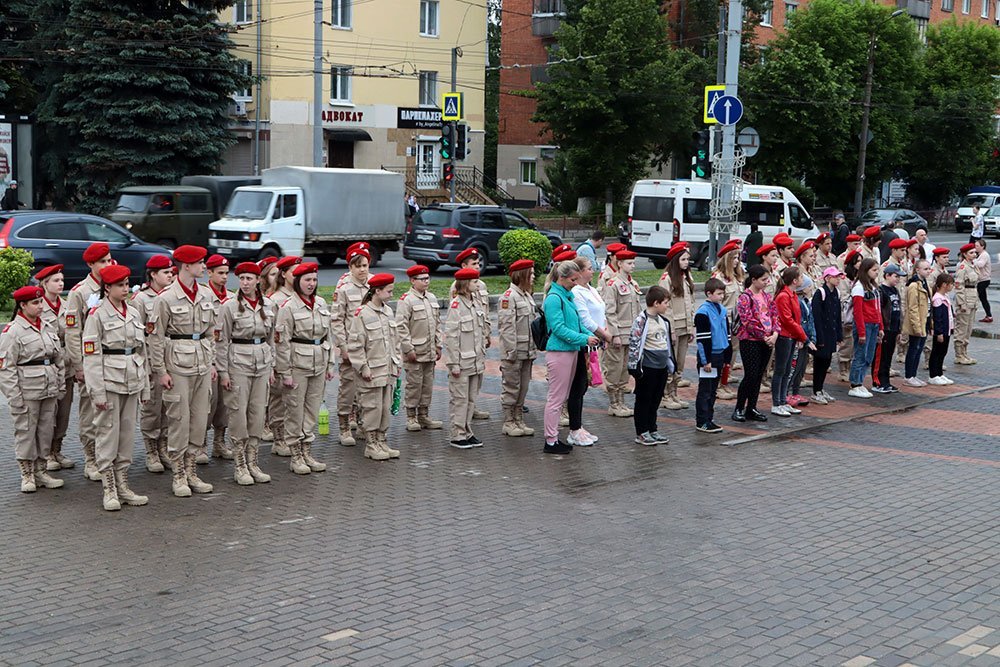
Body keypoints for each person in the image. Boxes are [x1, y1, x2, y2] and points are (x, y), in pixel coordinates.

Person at [148, 245, 218, 497]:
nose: (204, 267)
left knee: (200, 419)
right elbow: (156, 338)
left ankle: (191, 472)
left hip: (201, 363)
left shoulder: (207, 295)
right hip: (177, 365)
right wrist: (160, 371)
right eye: (200, 263)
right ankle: (178, 475)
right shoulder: (165, 297)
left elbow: (212, 332)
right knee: (179, 420)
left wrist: (211, 363)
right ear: (186, 266)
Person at [82, 265, 151, 511]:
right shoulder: (96, 315)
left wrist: (145, 387)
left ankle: (123, 485)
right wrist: (97, 392)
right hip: (109, 383)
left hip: (132, 381)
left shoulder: (132, 313)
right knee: (108, 436)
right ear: (107, 288)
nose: (125, 289)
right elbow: (90, 357)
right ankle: (109, 489)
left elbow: (142, 352)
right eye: (119, 285)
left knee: (126, 437)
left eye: (126, 284)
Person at [0, 286, 66, 493]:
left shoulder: (47, 327)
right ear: (23, 305)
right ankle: (27, 473)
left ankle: (41, 469)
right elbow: (6, 368)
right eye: (35, 303)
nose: (40, 306)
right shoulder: (12, 331)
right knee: (26, 432)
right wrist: (14, 397)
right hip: (27, 389)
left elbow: (58, 359)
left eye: (40, 302)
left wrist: (60, 385)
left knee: (46, 430)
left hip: (48, 388)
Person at [216, 261, 275, 485]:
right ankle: (240, 465)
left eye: (250, 278)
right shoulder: (229, 306)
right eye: (242, 278)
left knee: (257, 413)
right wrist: (223, 372)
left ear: (258, 280)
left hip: (261, 361)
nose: (245, 283)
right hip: (238, 362)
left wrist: (272, 366)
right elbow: (221, 342)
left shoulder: (268, 305)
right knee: (238, 414)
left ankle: (253, 462)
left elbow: (272, 340)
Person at [275, 262, 334, 473]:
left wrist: (330, 364)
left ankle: (307, 450)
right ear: (297, 281)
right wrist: (285, 372)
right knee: (295, 411)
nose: (311, 284)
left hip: (318, 363)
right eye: (307, 280)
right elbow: (282, 343)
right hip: (297, 365)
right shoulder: (288, 308)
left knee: (312, 409)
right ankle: (296, 455)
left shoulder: (321, 303)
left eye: (314, 280)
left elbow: (328, 336)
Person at [63, 242, 114, 482]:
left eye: (109, 260)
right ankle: (91, 458)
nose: (107, 265)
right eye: (102, 261)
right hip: (90, 359)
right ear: (91, 264)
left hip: (112, 360)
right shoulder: (80, 292)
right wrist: (78, 365)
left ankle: (109, 455)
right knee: (89, 412)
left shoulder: (115, 286)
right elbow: (73, 331)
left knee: (111, 410)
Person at [543, 261, 599, 454]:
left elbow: (575, 324)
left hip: (570, 350)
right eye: (573, 279)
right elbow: (558, 328)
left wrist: (589, 336)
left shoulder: (566, 296)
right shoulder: (554, 298)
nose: (576, 283)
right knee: (556, 399)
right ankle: (550, 440)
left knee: (561, 397)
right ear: (562, 277)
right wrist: (584, 338)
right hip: (560, 352)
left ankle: (554, 437)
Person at [348, 273, 403, 461]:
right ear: (377, 291)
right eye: (388, 291)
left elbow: (394, 341)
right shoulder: (362, 313)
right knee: (372, 408)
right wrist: (363, 367)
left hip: (387, 369)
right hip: (371, 371)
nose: (391, 295)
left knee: (385, 407)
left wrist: (397, 362)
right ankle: (371, 444)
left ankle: (381, 440)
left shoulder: (388, 311)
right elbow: (356, 345)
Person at [131, 255, 174, 472]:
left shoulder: (172, 296)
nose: (170, 276)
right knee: (151, 407)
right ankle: (151, 450)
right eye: (165, 272)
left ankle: (164, 446)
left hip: (172, 360)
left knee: (167, 406)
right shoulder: (140, 299)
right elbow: (137, 335)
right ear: (152, 275)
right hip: (150, 361)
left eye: (171, 272)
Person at [36, 264, 75, 472]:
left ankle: (57, 449)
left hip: (66, 366)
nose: (61, 284)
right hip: (48, 366)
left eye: (61, 280)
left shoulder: (67, 305)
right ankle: (46, 453)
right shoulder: (38, 305)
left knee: (64, 412)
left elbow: (73, 334)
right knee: (49, 412)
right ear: (44, 283)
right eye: (56, 281)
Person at [444, 267, 489, 449]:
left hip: (475, 361)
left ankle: (467, 431)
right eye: (474, 282)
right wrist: (453, 363)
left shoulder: (475, 303)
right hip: (461, 362)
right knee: (460, 399)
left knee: (471, 399)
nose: (478, 285)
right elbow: (452, 337)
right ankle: (457, 434)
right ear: (465, 284)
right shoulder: (456, 306)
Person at [395, 264, 443, 433]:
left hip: (429, 350)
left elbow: (437, 324)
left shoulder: (432, 298)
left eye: (427, 278)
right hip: (415, 351)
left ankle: (424, 415)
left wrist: (439, 344)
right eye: (422, 279)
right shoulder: (406, 300)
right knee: (414, 385)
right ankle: (411, 416)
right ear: (412, 280)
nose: (426, 281)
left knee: (427, 384)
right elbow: (401, 327)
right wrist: (408, 349)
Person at [625, 286, 676, 445]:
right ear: (656, 303)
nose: (667, 306)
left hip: (661, 367)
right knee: (644, 400)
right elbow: (634, 343)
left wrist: (670, 363)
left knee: (655, 399)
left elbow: (666, 343)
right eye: (665, 303)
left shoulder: (663, 321)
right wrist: (634, 367)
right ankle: (642, 431)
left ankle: (652, 428)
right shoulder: (641, 321)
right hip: (647, 368)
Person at [570, 255, 611, 446]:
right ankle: (574, 428)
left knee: (583, 385)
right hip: (584, 341)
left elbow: (601, 312)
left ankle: (578, 426)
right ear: (578, 272)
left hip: (594, 341)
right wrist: (605, 335)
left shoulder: (591, 289)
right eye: (588, 268)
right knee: (577, 386)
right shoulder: (577, 292)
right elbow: (585, 319)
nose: (592, 270)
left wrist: (605, 331)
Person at [331, 248, 370, 446]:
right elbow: (337, 320)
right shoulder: (344, 289)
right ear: (350, 268)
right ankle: (345, 427)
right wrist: (343, 347)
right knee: (348, 389)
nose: (363, 270)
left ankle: (365, 425)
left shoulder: (374, 285)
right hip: (351, 349)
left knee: (368, 390)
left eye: (365, 265)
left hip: (371, 349)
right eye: (358, 266)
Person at [449, 247, 492, 421]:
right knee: (463, 387)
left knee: (476, 379)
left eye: (478, 263)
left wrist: (487, 333)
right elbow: (457, 323)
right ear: (464, 265)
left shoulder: (480, 285)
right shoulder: (458, 287)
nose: (477, 266)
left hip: (478, 338)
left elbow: (484, 311)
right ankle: (463, 417)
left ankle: (472, 408)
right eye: (473, 264)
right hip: (466, 342)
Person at [265, 255, 302, 456]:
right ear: (284, 274)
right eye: (293, 272)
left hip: (299, 356)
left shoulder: (300, 297)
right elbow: (273, 334)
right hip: (281, 355)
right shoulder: (275, 300)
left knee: (295, 400)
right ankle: (278, 438)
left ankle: (292, 436)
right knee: (278, 398)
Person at [732, 265, 778, 423]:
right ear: (753, 280)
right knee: (750, 375)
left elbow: (774, 315)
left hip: (767, 340)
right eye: (763, 279)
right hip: (750, 341)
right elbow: (747, 321)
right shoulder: (745, 297)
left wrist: (775, 334)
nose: (767, 282)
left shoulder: (766, 296)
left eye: (767, 279)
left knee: (759, 375)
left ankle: (752, 407)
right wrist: (764, 335)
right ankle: (739, 407)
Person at [497, 259, 538, 438]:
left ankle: (519, 418)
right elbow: (507, 328)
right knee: (512, 387)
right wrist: (510, 351)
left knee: (524, 386)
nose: (534, 276)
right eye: (531, 273)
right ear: (521, 275)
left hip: (528, 350)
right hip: (514, 351)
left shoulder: (526, 295)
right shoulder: (509, 297)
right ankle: (509, 421)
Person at [600, 249, 642, 418]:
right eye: (629, 263)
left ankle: (621, 401)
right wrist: (614, 334)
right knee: (614, 369)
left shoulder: (633, 284)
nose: (632, 266)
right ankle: (614, 403)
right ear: (620, 264)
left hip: (630, 334)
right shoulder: (613, 284)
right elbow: (610, 312)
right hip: (618, 334)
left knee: (625, 370)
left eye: (633, 263)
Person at [656, 242, 695, 410]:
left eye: (688, 259)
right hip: (674, 327)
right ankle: (665, 395)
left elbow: (691, 304)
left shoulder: (687, 277)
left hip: (685, 326)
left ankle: (674, 393)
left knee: (680, 363)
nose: (686, 262)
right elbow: (666, 308)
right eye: (683, 259)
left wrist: (691, 326)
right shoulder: (667, 279)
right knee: (670, 362)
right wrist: (670, 329)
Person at [203, 254, 234, 462]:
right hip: (209, 358)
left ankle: (219, 442)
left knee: (225, 403)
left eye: (226, 273)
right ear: (210, 272)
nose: (224, 277)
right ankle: (200, 444)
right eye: (220, 273)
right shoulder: (203, 296)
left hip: (228, 357)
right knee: (208, 403)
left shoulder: (231, 298)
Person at [694, 278, 730, 433]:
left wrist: (727, 357)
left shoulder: (722, 310)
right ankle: (702, 420)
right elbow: (703, 340)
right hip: (709, 357)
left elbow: (727, 334)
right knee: (705, 390)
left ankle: (710, 417)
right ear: (709, 294)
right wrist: (705, 361)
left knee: (713, 389)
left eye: (723, 293)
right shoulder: (702, 313)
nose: (722, 296)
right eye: (719, 293)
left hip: (720, 354)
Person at [772, 267, 808, 416]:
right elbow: (787, 319)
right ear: (794, 280)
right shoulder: (784, 296)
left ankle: (783, 400)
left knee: (787, 370)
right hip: (784, 336)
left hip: (791, 336)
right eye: (800, 277)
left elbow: (796, 319)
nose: (802, 280)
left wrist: (799, 336)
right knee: (780, 370)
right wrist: (803, 336)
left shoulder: (792, 294)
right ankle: (777, 403)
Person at [710, 241, 744, 400]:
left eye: (738, 257)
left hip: (736, 320)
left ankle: (724, 381)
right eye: (734, 257)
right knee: (722, 354)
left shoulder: (737, 276)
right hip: (723, 321)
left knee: (732, 352)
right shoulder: (718, 277)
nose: (737, 260)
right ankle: (717, 386)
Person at [848, 258, 883, 399]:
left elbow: (877, 309)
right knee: (860, 355)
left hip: (873, 324)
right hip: (865, 325)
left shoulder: (873, 287)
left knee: (868, 356)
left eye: (877, 270)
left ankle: (860, 381)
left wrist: (880, 326)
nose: (876, 273)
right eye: (874, 270)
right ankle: (855, 384)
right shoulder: (859, 287)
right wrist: (862, 332)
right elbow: (858, 311)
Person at [810, 267, 843, 404]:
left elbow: (837, 315)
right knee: (820, 361)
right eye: (835, 277)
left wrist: (839, 335)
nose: (838, 279)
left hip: (831, 333)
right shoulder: (820, 293)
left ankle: (821, 388)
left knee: (827, 361)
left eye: (839, 276)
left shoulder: (837, 293)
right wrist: (819, 338)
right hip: (822, 333)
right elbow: (816, 317)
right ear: (827, 278)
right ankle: (816, 390)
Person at [871, 265, 903, 394]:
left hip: (894, 328)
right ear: (887, 275)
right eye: (896, 276)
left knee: (888, 356)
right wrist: (880, 327)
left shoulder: (895, 290)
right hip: (885, 328)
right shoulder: (881, 291)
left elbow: (898, 309)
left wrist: (899, 329)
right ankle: (877, 382)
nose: (898, 279)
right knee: (880, 356)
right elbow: (879, 311)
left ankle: (886, 381)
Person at [786, 275, 816, 407]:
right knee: (793, 367)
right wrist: (802, 337)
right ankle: (786, 393)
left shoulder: (806, 302)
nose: (811, 288)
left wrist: (812, 337)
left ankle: (795, 392)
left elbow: (810, 321)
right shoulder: (797, 302)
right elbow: (798, 322)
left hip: (806, 338)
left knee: (801, 367)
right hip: (800, 338)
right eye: (809, 286)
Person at [902, 259, 933, 387]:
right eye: (925, 269)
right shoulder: (914, 285)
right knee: (913, 349)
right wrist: (917, 326)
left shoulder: (925, 282)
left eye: (928, 268)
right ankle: (909, 376)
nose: (928, 271)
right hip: (918, 322)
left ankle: (913, 375)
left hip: (925, 320)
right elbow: (913, 308)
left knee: (919, 349)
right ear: (917, 270)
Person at [837, 250, 863, 382]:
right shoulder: (844, 279)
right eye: (857, 261)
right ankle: (843, 370)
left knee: (853, 343)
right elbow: (844, 298)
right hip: (846, 314)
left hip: (857, 315)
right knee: (846, 343)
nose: (860, 264)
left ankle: (849, 367)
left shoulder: (859, 278)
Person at [953, 243, 979, 365]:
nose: (974, 255)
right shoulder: (963, 267)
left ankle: (964, 353)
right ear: (965, 254)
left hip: (972, 299)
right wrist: (961, 303)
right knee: (962, 328)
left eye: (975, 252)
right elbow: (959, 287)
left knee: (968, 329)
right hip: (965, 300)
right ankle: (959, 354)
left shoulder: (973, 266)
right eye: (971, 253)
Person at [928, 273, 956, 385]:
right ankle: (933, 375)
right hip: (941, 330)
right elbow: (938, 318)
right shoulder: (937, 299)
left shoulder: (945, 297)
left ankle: (939, 373)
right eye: (951, 284)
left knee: (943, 352)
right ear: (944, 285)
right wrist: (938, 332)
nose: (952, 286)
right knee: (936, 352)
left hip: (947, 329)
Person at [974, 238, 993, 323]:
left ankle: (970, 314)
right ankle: (989, 315)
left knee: (974, 296)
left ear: (983, 246)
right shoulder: (980, 254)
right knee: (983, 298)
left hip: (984, 279)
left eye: (977, 246)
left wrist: (972, 260)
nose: (975, 247)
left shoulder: (984, 255)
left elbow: (981, 265)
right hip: (981, 279)